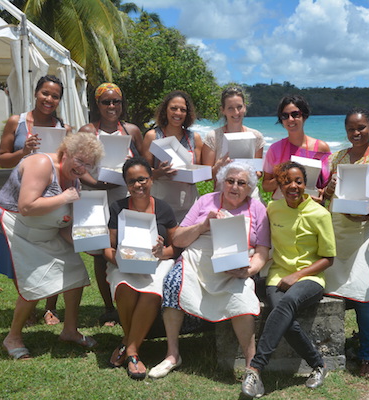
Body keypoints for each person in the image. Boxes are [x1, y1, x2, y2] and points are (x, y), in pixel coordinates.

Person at [0, 131, 105, 360]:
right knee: (34, 280)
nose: (82, 168)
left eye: (88, 165)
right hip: (15, 226)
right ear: (66, 153)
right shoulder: (41, 164)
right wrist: (65, 198)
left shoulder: (74, 179)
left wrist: (86, 244)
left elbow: (62, 225)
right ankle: (13, 337)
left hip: (44, 230)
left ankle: (70, 330)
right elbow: (27, 206)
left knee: (75, 270)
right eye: (79, 160)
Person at [149, 161, 271, 380]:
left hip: (233, 268)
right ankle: (172, 353)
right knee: (172, 282)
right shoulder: (206, 201)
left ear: (250, 187)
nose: (234, 186)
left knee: (243, 300)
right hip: (197, 262)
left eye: (241, 183)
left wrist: (249, 270)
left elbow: (262, 251)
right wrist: (203, 226)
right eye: (230, 181)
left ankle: (251, 365)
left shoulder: (257, 208)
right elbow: (177, 238)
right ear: (222, 182)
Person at [242, 161, 336, 398]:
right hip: (277, 275)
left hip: (311, 278)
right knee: (283, 314)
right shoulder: (273, 208)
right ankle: (319, 364)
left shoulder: (320, 213)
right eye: (287, 181)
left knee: (286, 304)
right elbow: (252, 218)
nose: (293, 186)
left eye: (298, 181)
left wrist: (298, 275)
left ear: (306, 184)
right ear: (279, 186)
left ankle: (254, 369)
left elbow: (328, 258)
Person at [0, 75, 72, 325]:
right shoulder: (17, 122)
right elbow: (1, 159)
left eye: (55, 96)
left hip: (51, 201)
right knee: (23, 257)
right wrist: (23, 151)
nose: (49, 99)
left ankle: (51, 307)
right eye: (45, 93)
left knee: (55, 252)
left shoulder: (64, 128)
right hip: (20, 199)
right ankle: (26, 305)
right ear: (36, 93)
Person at [322, 108, 369, 378]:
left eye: (361, 127)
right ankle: (330, 347)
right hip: (338, 227)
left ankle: (366, 356)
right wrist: (328, 190)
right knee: (330, 287)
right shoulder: (337, 158)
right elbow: (328, 193)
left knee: (364, 293)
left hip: (367, 231)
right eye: (351, 128)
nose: (356, 133)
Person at [103, 157, 181, 379]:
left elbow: (175, 247)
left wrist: (160, 253)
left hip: (158, 264)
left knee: (151, 293)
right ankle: (132, 346)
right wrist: (120, 260)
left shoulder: (163, 208)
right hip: (124, 263)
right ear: (126, 184)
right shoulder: (117, 208)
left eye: (142, 179)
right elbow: (107, 248)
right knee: (125, 287)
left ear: (151, 179)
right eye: (132, 181)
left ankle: (130, 347)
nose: (138, 185)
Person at [78, 82, 144, 326]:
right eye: (106, 101)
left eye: (116, 101)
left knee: (127, 246)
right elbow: (77, 166)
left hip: (124, 198)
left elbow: (143, 163)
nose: (112, 106)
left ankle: (131, 300)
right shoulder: (87, 130)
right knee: (99, 254)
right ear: (98, 104)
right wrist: (95, 183)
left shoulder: (132, 131)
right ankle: (108, 308)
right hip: (96, 198)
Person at [142, 90, 205, 221]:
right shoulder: (152, 136)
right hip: (160, 202)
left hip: (188, 203)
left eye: (182, 110)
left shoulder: (195, 138)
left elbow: (201, 170)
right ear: (165, 110)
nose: (178, 113)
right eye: (173, 108)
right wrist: (160, 172)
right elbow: (144, 174)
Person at [262, 95, 331, 202]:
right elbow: (265, 186)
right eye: (285, 116)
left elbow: (327, 184)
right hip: (282, 209)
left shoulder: (320, 148)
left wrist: (323, 195)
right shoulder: (274, 149)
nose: (290, 119)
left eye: (295, 114)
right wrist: (282, 179)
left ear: (304, 115)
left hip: (311, 208)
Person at [202, 85, 265, 181]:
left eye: (239, 107)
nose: (236, 112)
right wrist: (219, 165)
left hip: (249, 192)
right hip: (222, 193)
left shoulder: (256, 136)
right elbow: (206, 177)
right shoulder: (213, 137)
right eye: (230, 108)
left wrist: (254, 171)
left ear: (245, 108)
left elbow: (259, 173)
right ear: (223, 110)